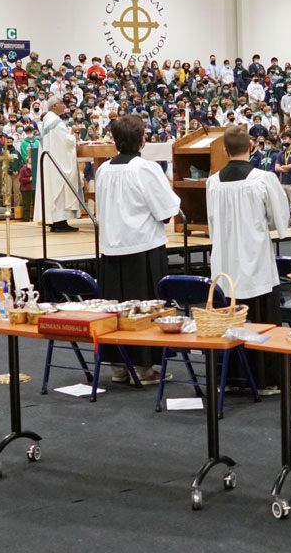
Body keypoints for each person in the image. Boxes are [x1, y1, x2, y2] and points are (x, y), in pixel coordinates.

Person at [96, 114, 181, 385]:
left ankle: (119, 366)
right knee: (143, 309)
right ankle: (143, 369)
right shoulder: (145, 169)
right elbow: (167, 209)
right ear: (143, 139)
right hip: (142, 248)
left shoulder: (103, 169)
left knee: (118, 310)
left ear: (114, 139)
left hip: (111, 250)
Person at [206, 125, 289, 390]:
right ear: (251, 147)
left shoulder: (213, 181)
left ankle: (231, 379)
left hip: (225, 262)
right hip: (256, 263)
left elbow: (211, 222)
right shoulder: (263, 179)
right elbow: (280, 220)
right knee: (262, 320)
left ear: (224, 150)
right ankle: (266, 381)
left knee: (229, 317)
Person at [33, 95, 81, 232]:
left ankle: (54, 221)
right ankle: (60, 222)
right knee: (60, 187)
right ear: (54, 106)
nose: (64, 106)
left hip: (51, 161)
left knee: (52, 188)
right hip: (58, 161)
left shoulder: (48, 120)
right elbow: (66, 142)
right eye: (61, 103)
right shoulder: (55, 122)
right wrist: (73, 136)